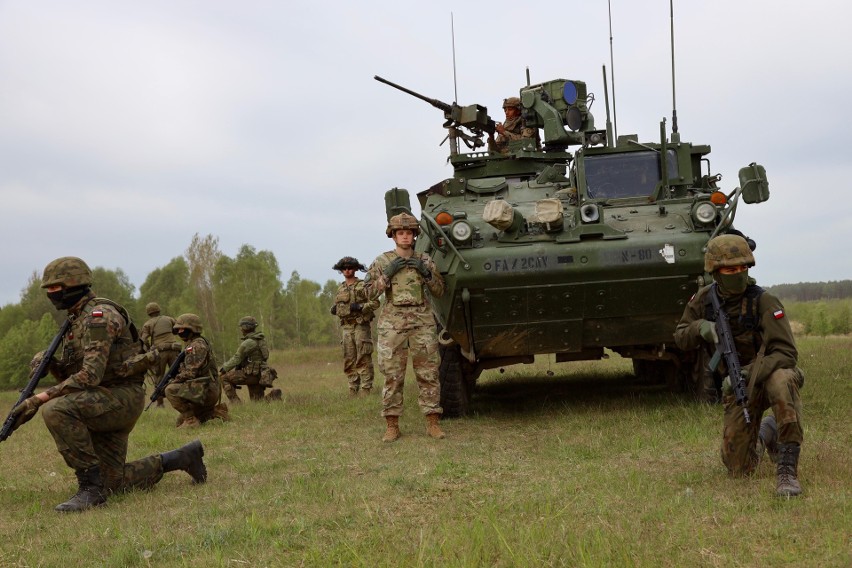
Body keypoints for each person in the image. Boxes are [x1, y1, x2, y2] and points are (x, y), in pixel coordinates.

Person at [6, 256, 207, 512]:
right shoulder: (76, 319)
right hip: (103, 398)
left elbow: (90, 375)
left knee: (56, 410)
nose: (51, 295)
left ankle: (90, 488)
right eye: (49, 290)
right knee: (114, 481)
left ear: (74, 285)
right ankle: (182, 457)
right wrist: (51, 365)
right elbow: (76, 373)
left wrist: (39, 399)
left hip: (120, 397)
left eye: (56, 288)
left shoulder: (99, 317)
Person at [674, 235, 805, 497]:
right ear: (715, 271)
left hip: (770, 373)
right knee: (738, 467)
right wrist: (701, 327)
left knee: (780, 381)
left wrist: (748, 372)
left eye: (742, 268)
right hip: (736, 384)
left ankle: (787, 470)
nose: (737, 274)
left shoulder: (764, 301)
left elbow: (787, 353)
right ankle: (765, 431)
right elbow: (680, 336)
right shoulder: (703, 300)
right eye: (730, 270)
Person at [365, 212, 447, 442]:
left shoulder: (425, 259)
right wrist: (387, 275)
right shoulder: (382, 261)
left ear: (414, 236)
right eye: (400, 233)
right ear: (393, 236)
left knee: (429, 373)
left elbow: (441, 290)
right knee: (392, 374)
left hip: (422, 323)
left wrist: (426, 272)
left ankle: (432, 422)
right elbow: (368, 292)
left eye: (409, 233)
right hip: (393, 324)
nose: (404, 237)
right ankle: (392, 425)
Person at [165, 313, 229, 427]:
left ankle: (191, 422)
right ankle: (215, 412)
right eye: (178, 330)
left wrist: (171, 382)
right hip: (203, 388)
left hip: (207, 389)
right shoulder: (194, 344)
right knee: (179, 422)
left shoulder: (196, 346)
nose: (179, 332)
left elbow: (190, 373)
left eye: (182, 329)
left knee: (170, 389)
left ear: (192, 329)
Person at [331, 256, 379, 396]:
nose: (347, 270)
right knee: (349, 359)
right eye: (344, 268)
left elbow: (375, 303)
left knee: (363, 357)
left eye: (350, 267)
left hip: (360, 326)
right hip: (346, 328)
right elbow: (339, 306)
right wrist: (334, 309)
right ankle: (352, 388)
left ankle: (366, 388)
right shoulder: (340, 288)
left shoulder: (363, 285)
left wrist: (360, 307)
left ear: (356, 269)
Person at [220, 316, 281, 403]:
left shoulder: (248, 342)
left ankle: (236, 404)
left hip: (250, 375)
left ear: (246, 327)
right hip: (260, 375)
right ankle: (273, 396)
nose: (241, 329)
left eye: (242, 327)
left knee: (224, 378)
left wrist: (224, 368)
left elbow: (237, 358)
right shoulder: (260, 340)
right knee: (258, 402)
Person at [139, 301, 181, 407]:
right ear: (159, 309)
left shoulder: (148, 324)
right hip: (174, 350)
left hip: (160, 353)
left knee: (159, 376)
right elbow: (177, 330)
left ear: (148, 313)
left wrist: (148, 349)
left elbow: (143, 339)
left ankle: (160, 403)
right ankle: (181, 399)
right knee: (178, 375)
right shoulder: (169, 319)